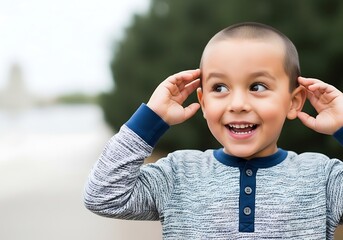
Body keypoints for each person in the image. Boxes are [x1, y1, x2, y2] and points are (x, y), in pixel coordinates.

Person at [84, 22, 343, 239]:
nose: (238, 104)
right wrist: (150, 119)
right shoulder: (177, 173)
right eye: (220, 88)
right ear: (204, 102)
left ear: (294, 102)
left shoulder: (323, 177)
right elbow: (103, 196)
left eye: (258, 87)